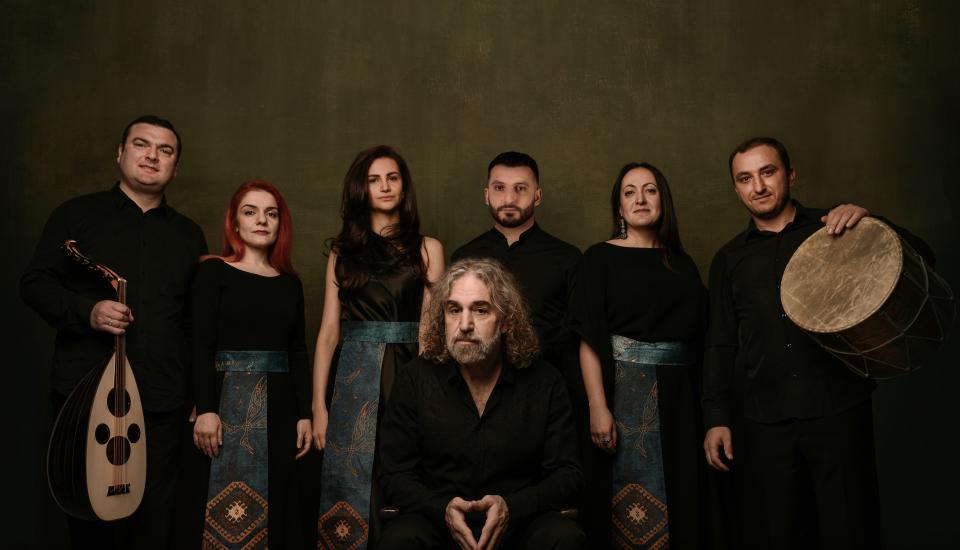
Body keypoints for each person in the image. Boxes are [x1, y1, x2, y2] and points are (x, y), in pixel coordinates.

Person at [702, 137, 934, 549]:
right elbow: (720, 343)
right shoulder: (729, 259)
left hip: (838, 410)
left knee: (851, 531)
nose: (758, 186)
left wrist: (873, 222)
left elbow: (924, 258)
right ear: (736, 188)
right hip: (766, 423)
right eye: (745, 178)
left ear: (790, 175)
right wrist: (717, 417)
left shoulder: (837, 227)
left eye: (767, 172)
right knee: (782, 536)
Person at [20, 115, 207, 549]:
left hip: (162, 401)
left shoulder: (189, 235)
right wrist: (87, 311)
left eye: (165, 150)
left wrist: (199, 392)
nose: (153, 156)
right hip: (87, 398)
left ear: (175, 167)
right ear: (120, 153)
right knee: (92, 526)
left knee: (156, 527)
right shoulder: (75, 216)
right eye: (142, 145)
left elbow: (192, 323)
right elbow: (34, 284)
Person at [377, 258, 586, 550]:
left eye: (480, 310)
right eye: (454, 310)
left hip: (521, 526)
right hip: (438, 524)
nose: (464, 325)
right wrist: (441, 509)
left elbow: (568, 475)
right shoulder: (415, 379)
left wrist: (512, 507)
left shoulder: (545, 381)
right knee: (398, 540)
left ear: (506, 321)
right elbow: (394, 474)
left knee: (565, 538)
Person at [570, 163, 709, 549]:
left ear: (663, 200)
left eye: (650, 190)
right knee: (624, 510)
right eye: (629, 192)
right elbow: (588, 339)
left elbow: (701, 339)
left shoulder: (682, 262)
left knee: (683, 499)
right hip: (624, 395)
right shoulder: (598, 258)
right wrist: (598, 406)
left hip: (682, 401)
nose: (640, 199)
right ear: (619, 207)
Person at [314, 145, 445, 548]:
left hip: (409, 369)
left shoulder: (428, 248)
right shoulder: (342, 251)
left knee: (410, 471)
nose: (385, 187)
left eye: (392, 178)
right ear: (361, 189)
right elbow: (328, 332)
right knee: (351, 478)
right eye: (374, 180)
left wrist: (432, 395)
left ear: (404, 186)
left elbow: (431, 331)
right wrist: (318, 406)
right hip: (353, 376)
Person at [190, 180, 312, 548]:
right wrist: (206, 408)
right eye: (250, 212)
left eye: (271, 214)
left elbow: (298, 352)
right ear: (235, 223)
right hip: (225, 403)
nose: (262, 220)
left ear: (280, 225)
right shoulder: (214, 272)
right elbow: (200, 345)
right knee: (218, 506)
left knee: (276, 504)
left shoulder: (290, 284)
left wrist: (304, 414)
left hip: (280, 407)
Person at [450, 151, 581, 385]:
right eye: (499, 188)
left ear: (537, 196)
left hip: (548, 387)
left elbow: (578, 340)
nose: (509, 198)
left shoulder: (568, 258)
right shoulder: (464, 257)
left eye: (520, 188)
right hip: (476, 386)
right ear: (486, 195)